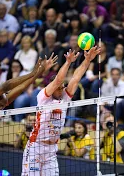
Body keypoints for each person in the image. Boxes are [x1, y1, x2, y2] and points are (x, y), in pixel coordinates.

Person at [21, 46, 101, 176]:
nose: (62, 89)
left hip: (52, 150)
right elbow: (58, 79)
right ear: (51, 88)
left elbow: (75, 78)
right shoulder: (43, 96)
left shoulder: (64, 97)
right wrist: (68, 62)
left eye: (63, 86)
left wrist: (87, 60)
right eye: (59, 87)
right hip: (36, 147)